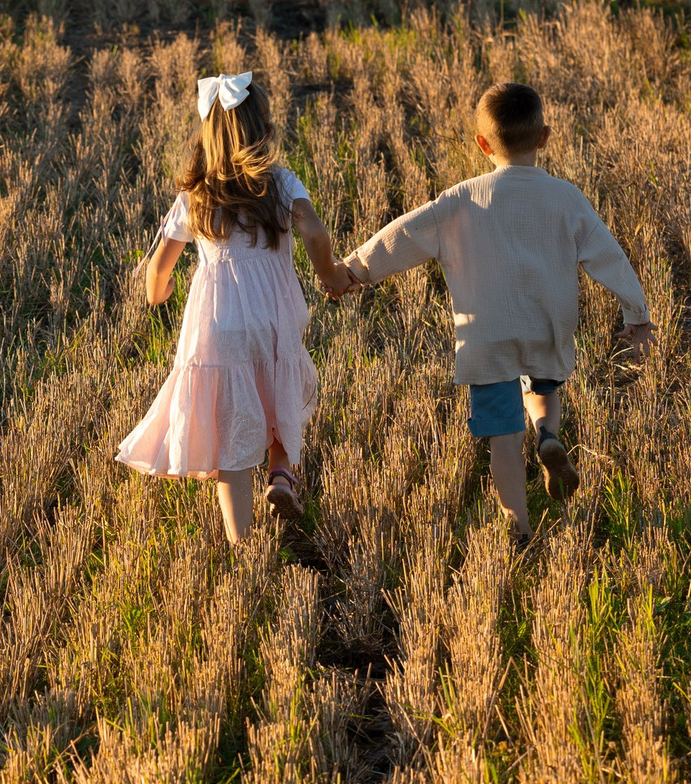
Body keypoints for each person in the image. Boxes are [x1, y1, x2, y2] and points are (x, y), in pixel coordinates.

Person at [341, 77, 652, 531]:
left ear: (482, 143)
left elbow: (403, 234)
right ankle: (548, 435)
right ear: (544, 138)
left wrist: (356, 268)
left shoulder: (461, 199)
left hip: (486, 336)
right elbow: (609, 256)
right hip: (548, 325)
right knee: (543, 389)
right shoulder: (566, 198)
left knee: (503, 439)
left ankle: (519, 527)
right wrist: (637, 315)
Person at [116, 68, 359, 547]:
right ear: (262, 129)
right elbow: (312, 230)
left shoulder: (196, 194)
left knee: (231, 425)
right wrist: (329, 273)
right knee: (278, 390)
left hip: (218, 321)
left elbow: (159, 264)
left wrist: (156, 292)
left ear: (207, 134)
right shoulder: (283, 183)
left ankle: (242, 541)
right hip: (274, 317)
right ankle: (281, 472)